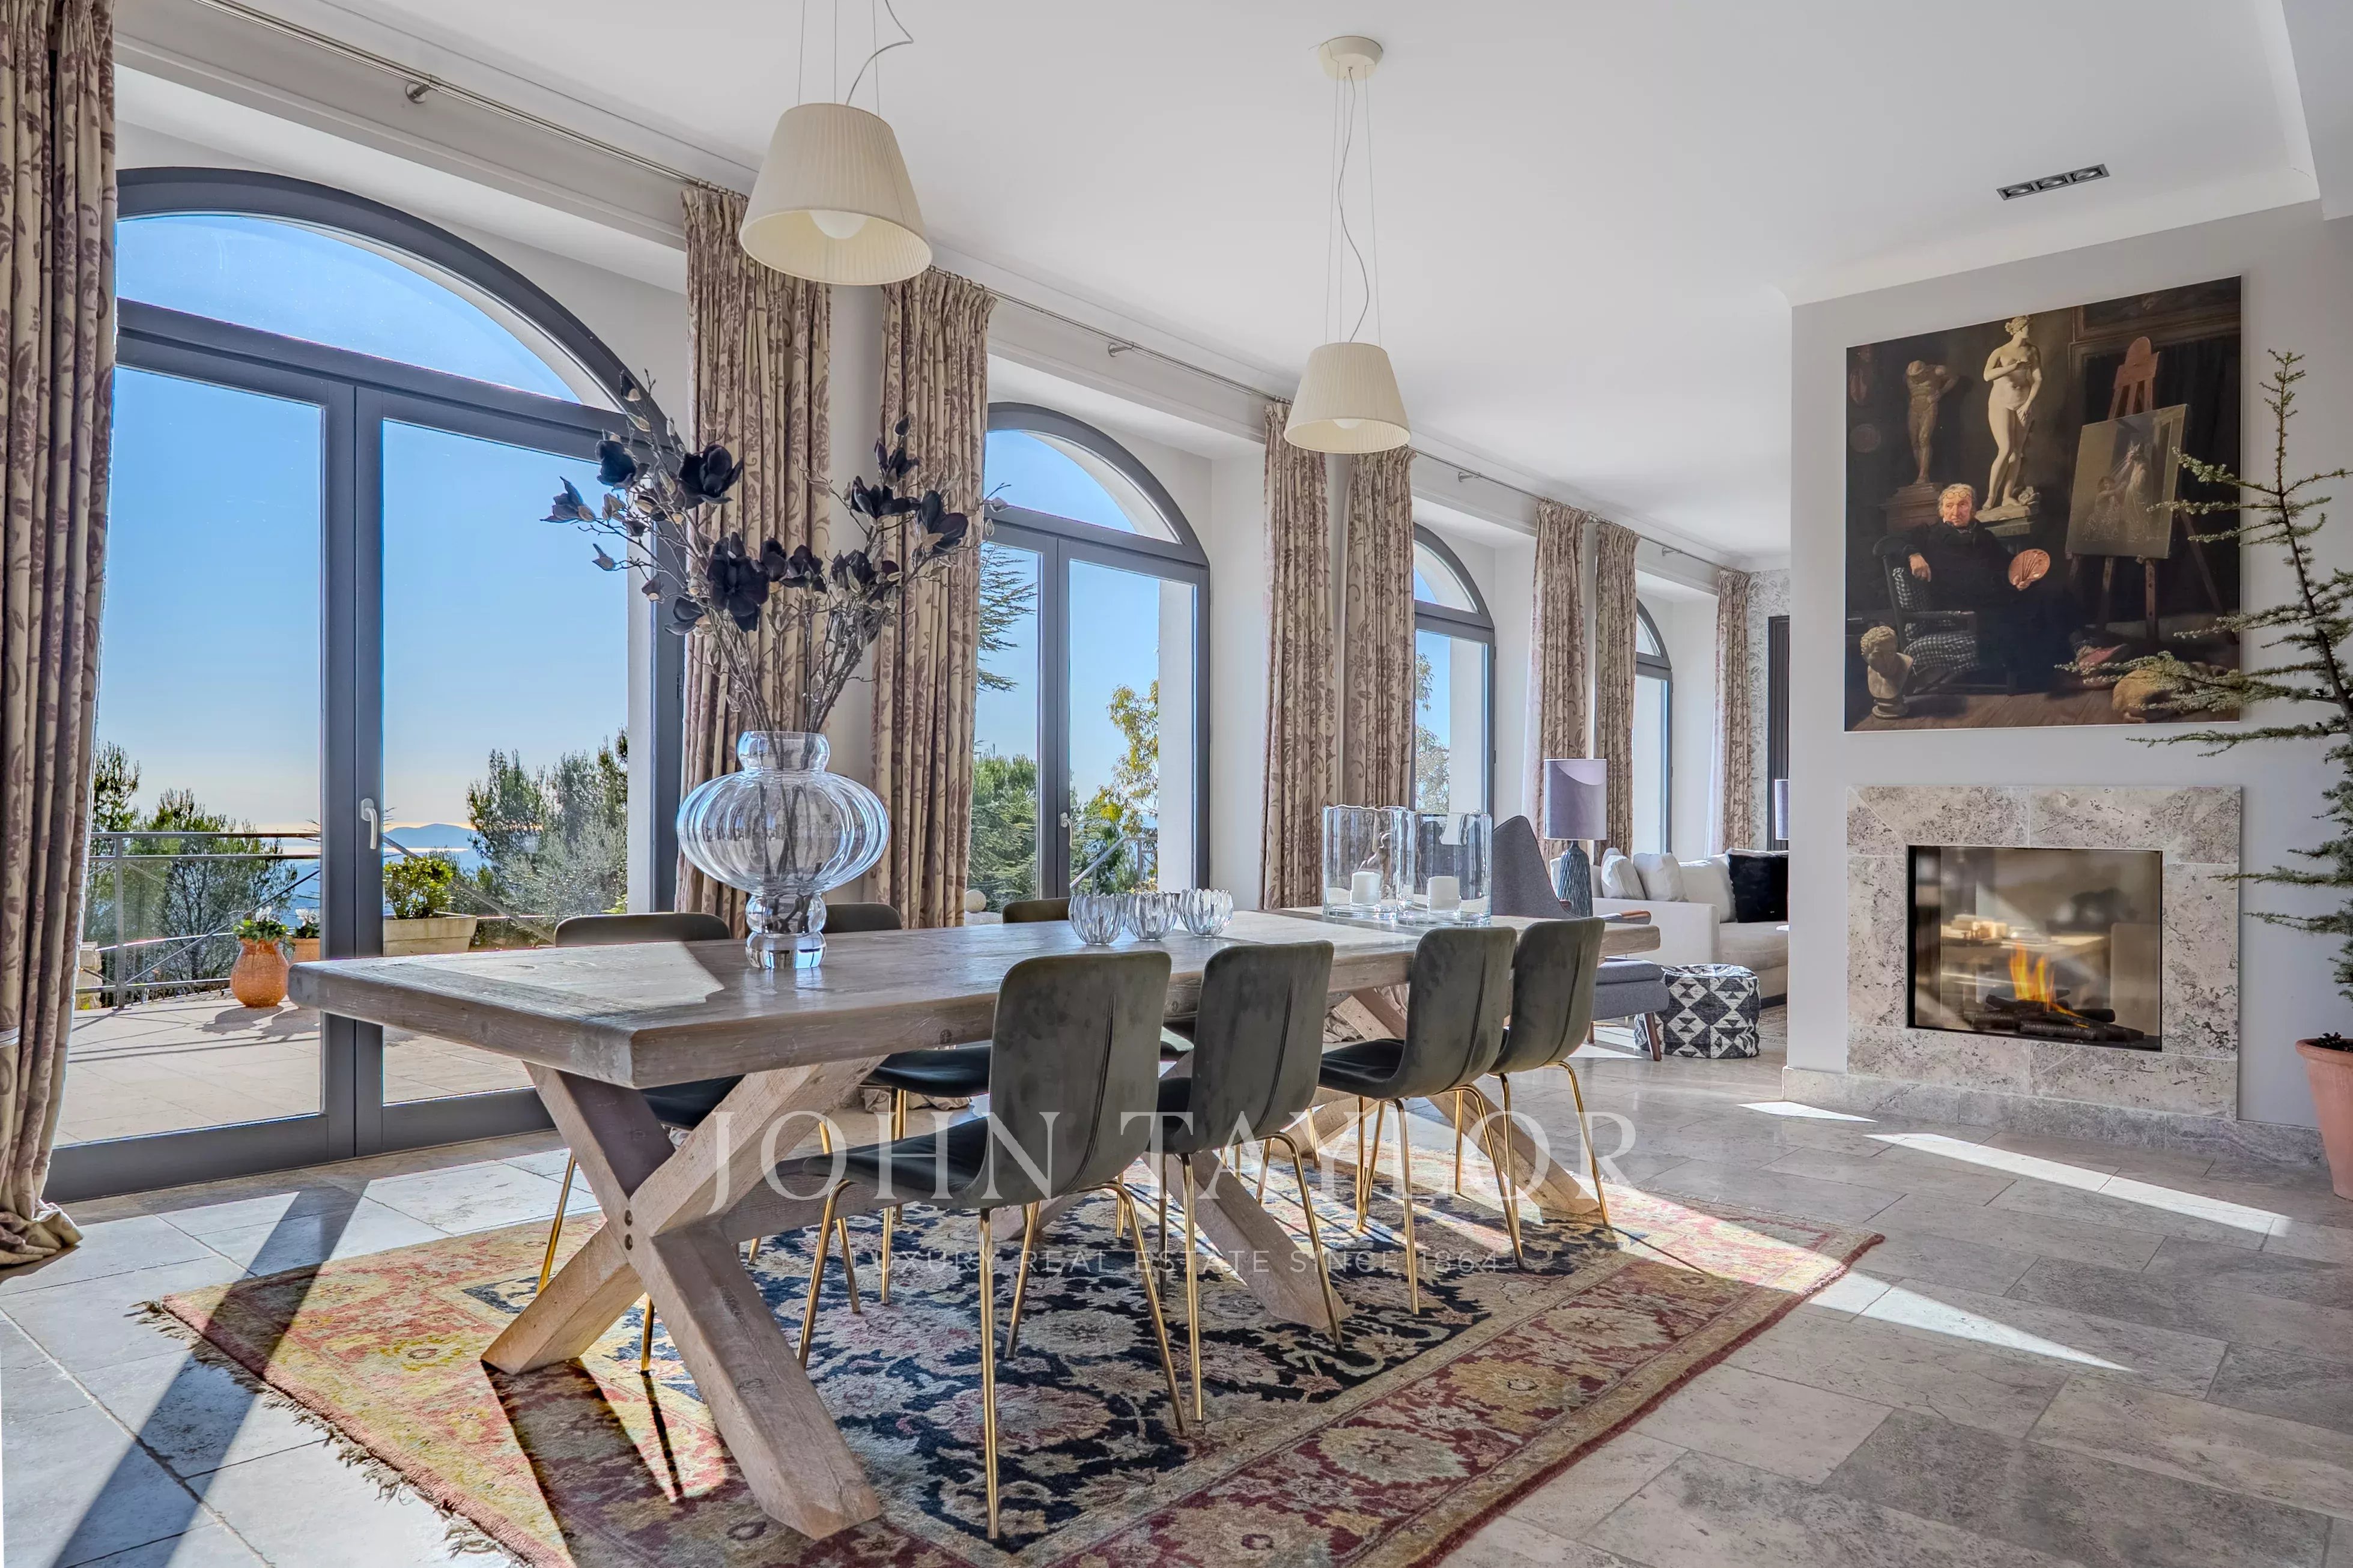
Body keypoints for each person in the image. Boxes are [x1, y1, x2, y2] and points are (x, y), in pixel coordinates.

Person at [1881, 483, 2080, 691]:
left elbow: (2008, 565)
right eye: (1949, 506)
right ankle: (2050, 675)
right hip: (1965, 610)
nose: (1956, 511)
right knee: (2020, 617)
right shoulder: (1928, 534)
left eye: (1963, 505)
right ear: (1941, 511)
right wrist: (1913, 554)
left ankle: (2076, 655)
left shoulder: (1983, 535)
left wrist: (2022, 579)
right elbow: (1884, 544)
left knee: (2053, 591)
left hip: (1999, 597)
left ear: (1973, 510)